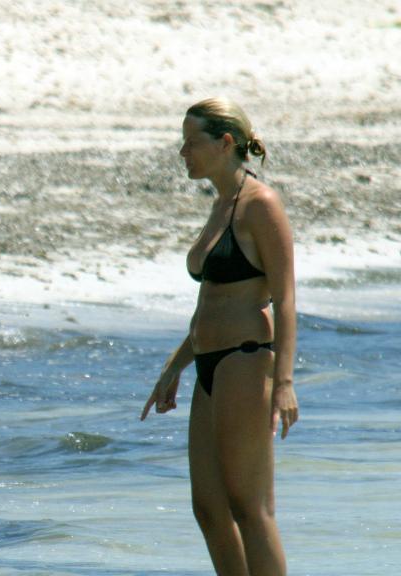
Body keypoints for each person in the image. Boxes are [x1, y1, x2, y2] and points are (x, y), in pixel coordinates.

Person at [140, 97, 298, 575]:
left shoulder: (260, 204)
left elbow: (286, 299)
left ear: (225, 142)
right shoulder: (220, 204)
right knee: (208, 508)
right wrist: (174, 367)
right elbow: (209, 302)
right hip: (208, 361)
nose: (182, 152)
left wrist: (285, 382)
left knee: (250, 507)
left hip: (245, 361)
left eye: (191, 142)